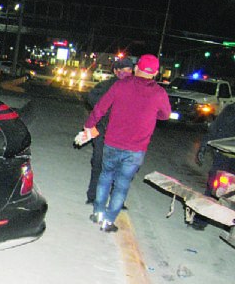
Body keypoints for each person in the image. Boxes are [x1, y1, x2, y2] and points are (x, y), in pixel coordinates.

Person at [80, 54, 171, 232]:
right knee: (122, 185)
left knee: (105, 177)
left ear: (137, 69)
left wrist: (89, 125)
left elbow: (100, 108)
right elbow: (165, 115)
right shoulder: (159, 93)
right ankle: (109, 221)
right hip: (136, 149)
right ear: (156, 73)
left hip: (112, 143)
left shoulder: (120, 85)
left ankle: (98, 212)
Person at [82, 56, 136, 204]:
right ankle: (93, 196)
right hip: (103, 131)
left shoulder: (134, 88)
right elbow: (93, 101)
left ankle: (117, 200)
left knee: (121, 168)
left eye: (130, 70)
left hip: (124, 134)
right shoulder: (105, 86)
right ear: (116, 71)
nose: (128, 73)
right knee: (98, 163)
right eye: (124, 70)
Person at [190, 103, 235, 230]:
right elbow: (215, 128)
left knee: (222, 190)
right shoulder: (231, 109)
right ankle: (201, 219)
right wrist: (204, 145)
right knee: (213, 188)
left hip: (224, 156)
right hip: (224, 156)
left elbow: (215, 128)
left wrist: (204, 145)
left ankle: (227, 223)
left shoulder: (231, 109)